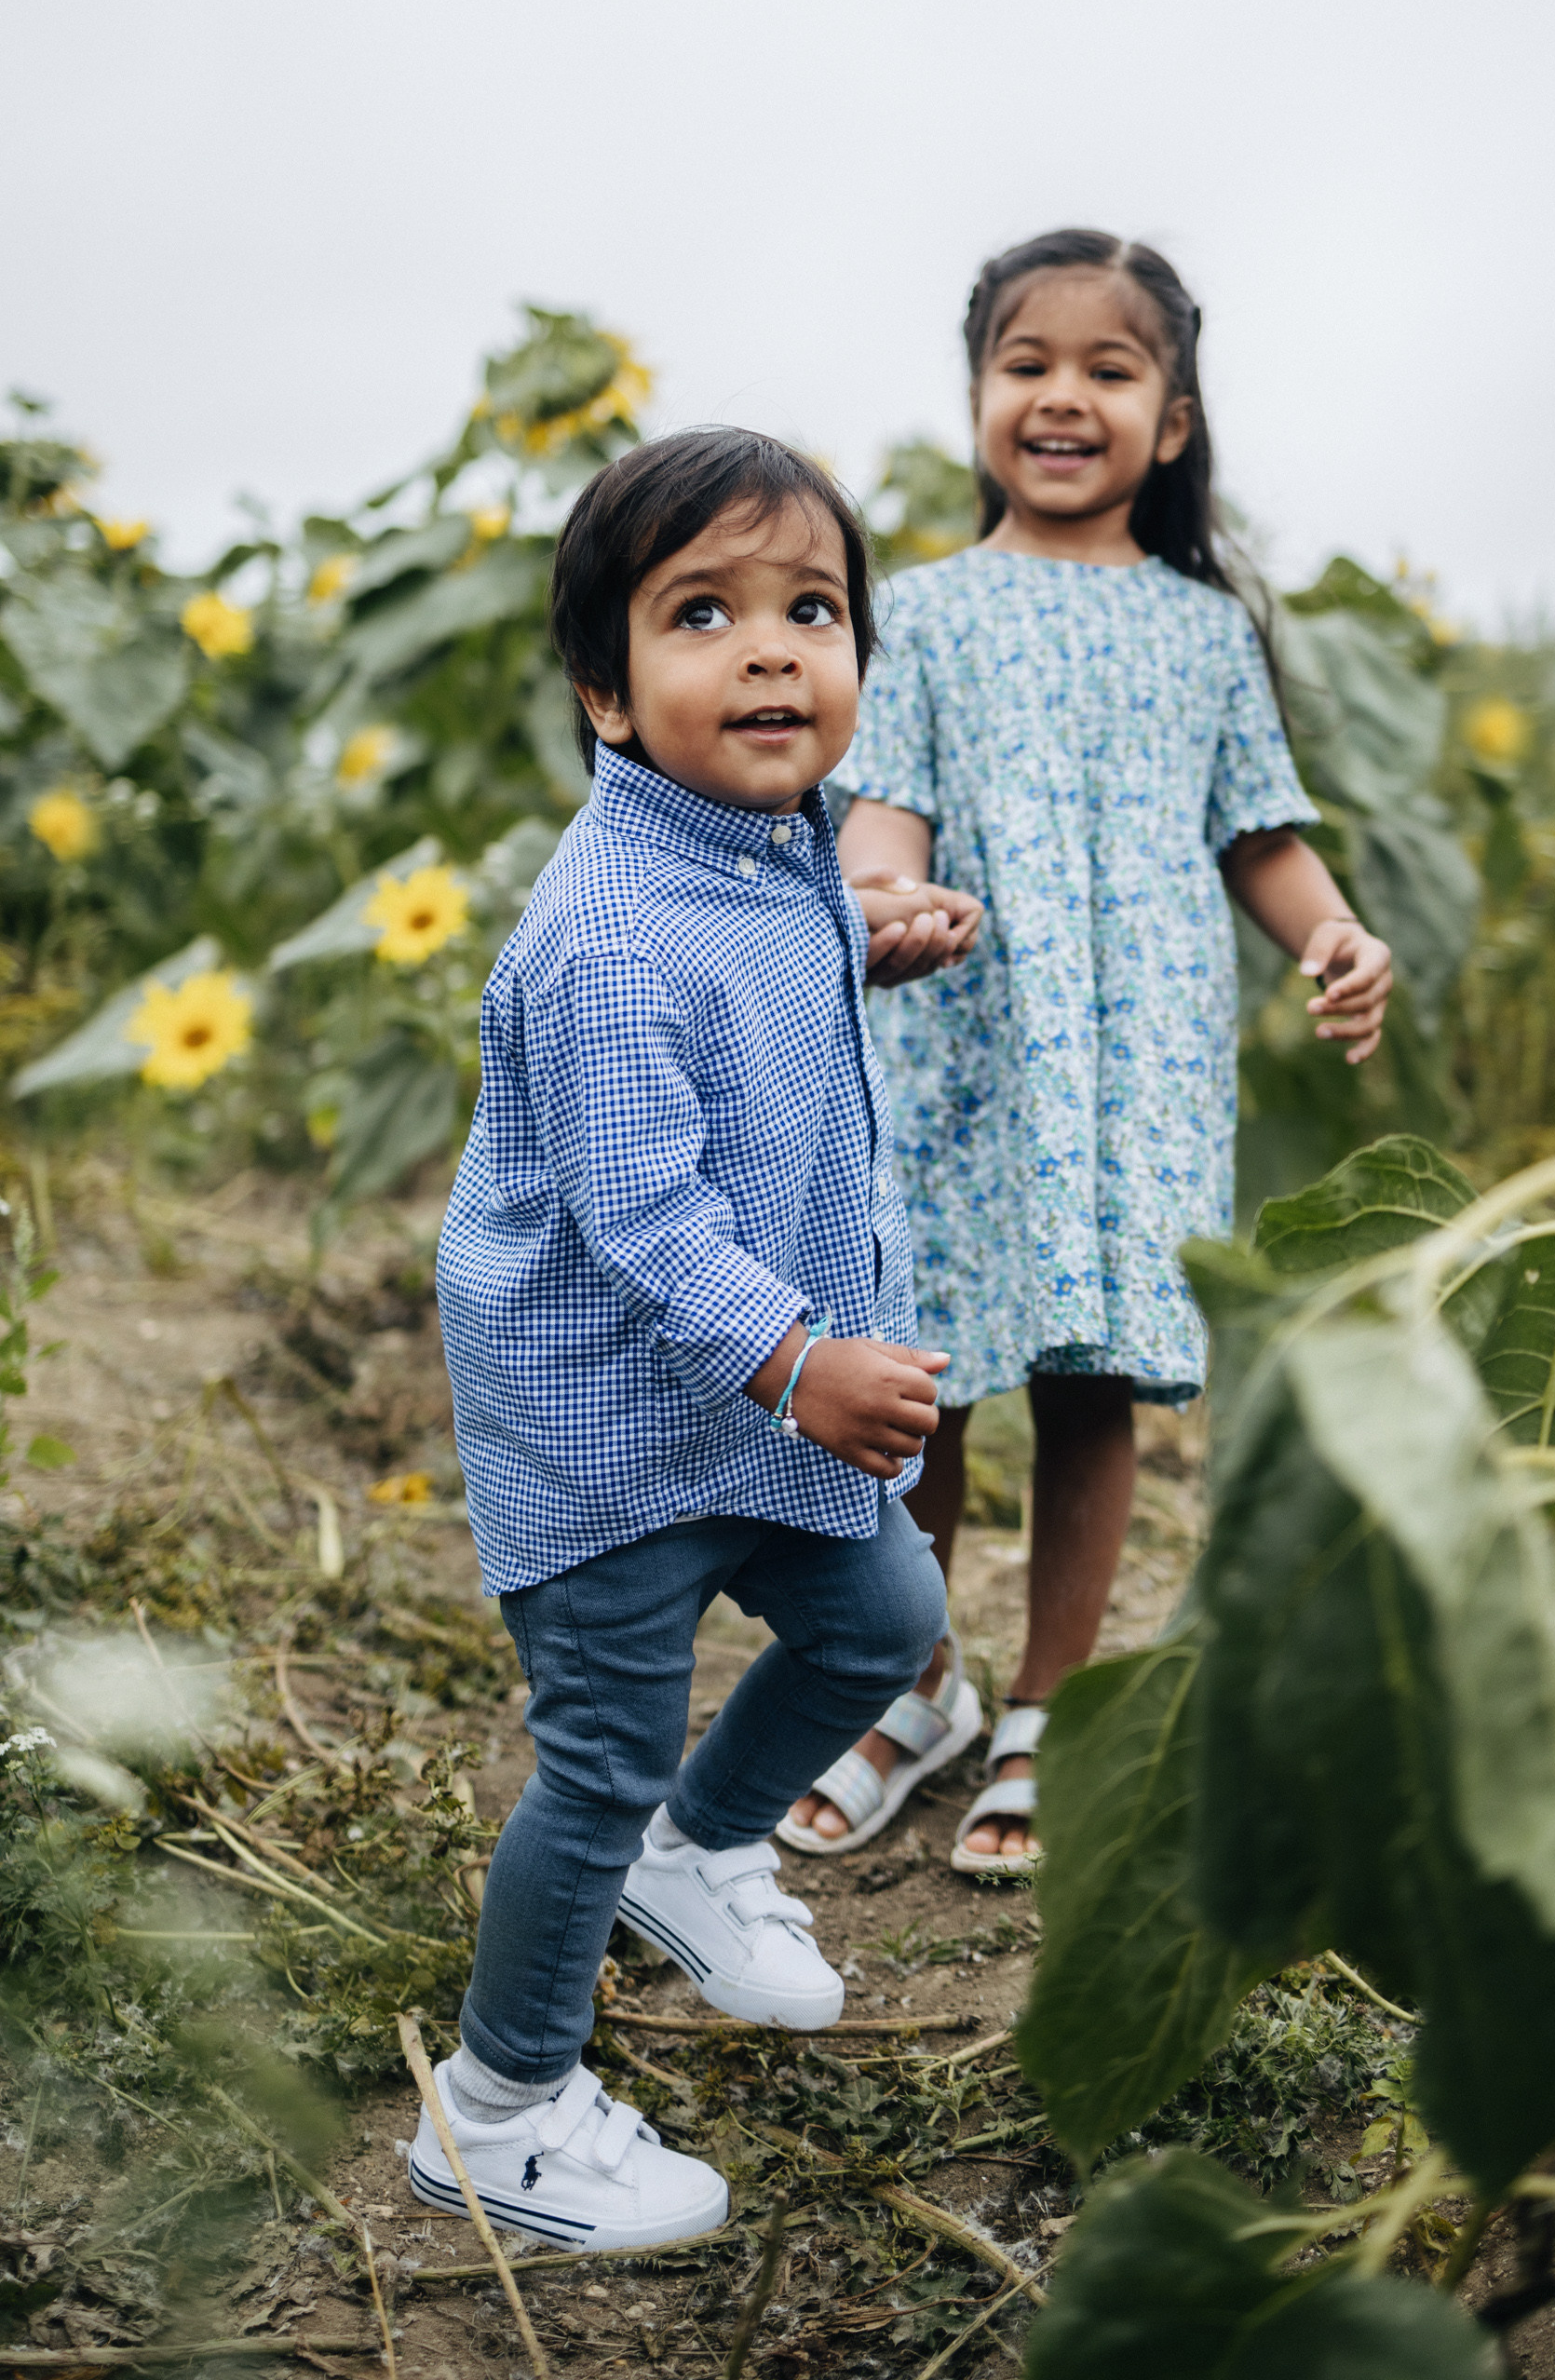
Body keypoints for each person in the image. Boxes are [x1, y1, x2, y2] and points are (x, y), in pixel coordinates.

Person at [410, 428, 978, 2252]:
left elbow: (760, 977)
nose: (769, 651)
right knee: (598, 1754)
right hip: (615, 1421)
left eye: (810, 607)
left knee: (885, 1626)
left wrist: (858, 942)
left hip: (746, 1390)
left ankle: (704, 1852)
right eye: (701, 613)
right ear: (603, 692)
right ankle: (496, 2112)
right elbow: (643, 1217)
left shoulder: (764, 853)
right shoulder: (605, 939)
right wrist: (804, 1365)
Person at [781, 230, 1394, 1873]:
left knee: (1089, 1381)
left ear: (1173, 422)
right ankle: (913, 1687)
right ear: (978, 395)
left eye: (1108, 370)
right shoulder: (915, 615)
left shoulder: (1207, 630)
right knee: (926, 1383)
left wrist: (1330, 935)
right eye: (1026, 364)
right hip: (965, 1051)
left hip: (1139, 1070)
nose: (1063, 397)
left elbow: (1260, 835)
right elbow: (880, 824)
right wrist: (883, 903)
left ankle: (1049, 1702)